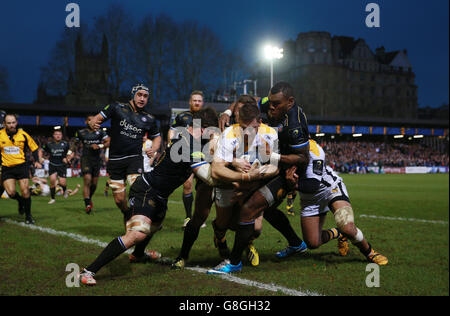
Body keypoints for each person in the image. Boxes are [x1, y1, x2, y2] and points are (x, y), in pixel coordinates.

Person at [208, 82, 310, 274]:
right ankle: (296, 243)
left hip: (290, 171)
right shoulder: (267, 106)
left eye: (276, 105)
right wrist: (228, 112)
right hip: (270, 168)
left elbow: (304, 158)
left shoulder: (293, 125)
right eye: (269, 103)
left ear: (289, 103)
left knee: (249, 209)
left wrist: (273, 159)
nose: (271, 107)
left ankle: (234, 262)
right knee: (267, 211)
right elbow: (250, 101)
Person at [171, 98, 276, 269]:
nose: (239, 112)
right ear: (234, 112)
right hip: (217, 176)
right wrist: (233, 162)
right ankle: (183, 255)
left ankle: (240, 241)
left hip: (236, 180)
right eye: (236, 110)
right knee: (200, 216)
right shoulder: (224, 126)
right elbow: (212, 152)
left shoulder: (255, 128)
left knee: (244, 224)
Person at [284, 139, 388, 265]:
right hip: (309, 199)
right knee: (313, 242)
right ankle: (338, 233)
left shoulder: (313, 149)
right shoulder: (282, 149)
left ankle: (369, 252)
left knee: (347, 227)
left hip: (330, 188)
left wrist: (292, 185)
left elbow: (312, 186)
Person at [88, 84, 161, 222]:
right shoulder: (116, 107)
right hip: (115, 160)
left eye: (145, 96)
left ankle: (148, 216)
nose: (142, 98)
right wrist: (93, 123)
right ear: (133, 95)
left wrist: (155, 148)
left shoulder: (149, 118)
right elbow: (95, 119)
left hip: (134, 158)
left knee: (138, 188)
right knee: (119, 199)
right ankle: (127, 213)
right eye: (139, 95)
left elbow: (157, 136)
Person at [168, 90, 205, 228]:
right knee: (187, 184)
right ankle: (189, 217)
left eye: (199, 100)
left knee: (202, 189)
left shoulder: (206, 117)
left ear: (202, 102)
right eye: (194, 100)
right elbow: (172, 130)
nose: (196, 102)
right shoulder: (181, 116)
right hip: (185, 154)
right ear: (190, 102)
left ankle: (200, 217)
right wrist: (170, 144)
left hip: (203, 155)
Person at [0, 114, 42, 224]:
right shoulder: (0, 135)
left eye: (13, 122)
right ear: (4, 124)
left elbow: (34, 148)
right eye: (9, 123)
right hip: (7, 168)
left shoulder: (23, 135)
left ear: (16, 122)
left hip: (21, 167)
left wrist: (37, 160)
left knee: (25, 191)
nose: (11, 125)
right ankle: (20, 201)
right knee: (11, 192)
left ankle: (28, 216)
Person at [73, 116, 110, 214]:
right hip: (86, 159)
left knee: (94, 184)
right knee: (87, 180)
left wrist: (100, 146)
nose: (93, 121)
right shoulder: (81, 132)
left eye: (94, 119)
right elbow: (74, 144)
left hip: (96, 160)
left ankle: (89, 199)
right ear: (86, 122)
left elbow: (109, 142)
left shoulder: (101, 132)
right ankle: (88, 205)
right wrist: (69, 154)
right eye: (90, 120)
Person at [41, 128, 73, 204]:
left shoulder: (65, 144)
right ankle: (52, 198)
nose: (58, 136)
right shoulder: (49, 144)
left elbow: (72, 152)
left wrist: (68, 158)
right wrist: (40, 158)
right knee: (52, 181)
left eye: (59, 134)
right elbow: (41, 150)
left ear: (61, 136)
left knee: (63, 183)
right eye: (56, 134)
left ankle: (65, 190)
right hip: (52, 164)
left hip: (62, 166)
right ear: (53, 136)